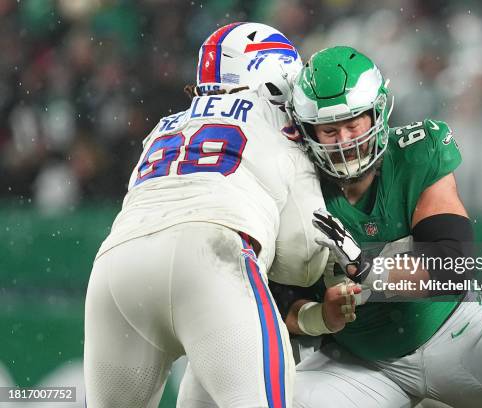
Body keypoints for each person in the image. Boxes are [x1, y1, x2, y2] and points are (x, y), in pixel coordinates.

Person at [285, 46, 482, 407]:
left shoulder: (417, 153)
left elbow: (453, 264)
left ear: (377, 114)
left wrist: (371, 270)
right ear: (306, 131)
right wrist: (320, 316)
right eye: (329, 130)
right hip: (360, 361)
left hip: (451, 333)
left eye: (353, 124)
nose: (345, 142)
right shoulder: (295, 184)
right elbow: (277, 301)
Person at [84, 22, 330, 408]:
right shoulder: (279, 123)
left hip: (115, 268)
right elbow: (304, 258)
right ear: (274, 76)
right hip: (212, 257)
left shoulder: (162, 128)